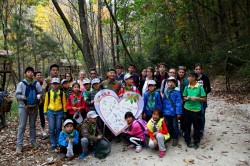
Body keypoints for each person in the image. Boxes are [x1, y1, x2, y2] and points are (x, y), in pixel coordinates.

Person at [15, 67, 43, 154]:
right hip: (23, 107)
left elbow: (41, 92)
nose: (30, 73)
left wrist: (39, 97)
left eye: (31, 72)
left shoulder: (36, 83)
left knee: (32, 125)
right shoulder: (21, 84)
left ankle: (33, 141)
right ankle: (19, 145)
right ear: (25, 73)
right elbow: (17, 95)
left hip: (34, 107)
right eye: (28, 72)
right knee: (22, 126)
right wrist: (23, 97)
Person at [183, 71, 206, 149]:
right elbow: (183, 97)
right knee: (187, 126)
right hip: (187, 109)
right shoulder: (187, 87)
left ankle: (196, 141)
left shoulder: (200, 87)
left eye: (189, 76)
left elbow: (204, 99)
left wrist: (197, 98)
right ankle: (188, 140)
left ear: (194, 78)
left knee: (196, 126)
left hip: (196, 110)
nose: (188, 78)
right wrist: (187, 98)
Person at [44, 77, 67, 149]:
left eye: (56, 84)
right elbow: (46, 103)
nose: (55, 85)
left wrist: (64, 112)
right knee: (51, 128)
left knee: (58, 127)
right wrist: (45, 113)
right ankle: (53, 142)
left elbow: (64, 103)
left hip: (59, 112)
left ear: (59, 85)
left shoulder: (61, 93)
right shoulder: (48, 93)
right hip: (50, 112)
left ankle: (58, 141)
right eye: (54, 84)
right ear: (51, 85)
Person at [162, 77, 182, 146]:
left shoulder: (177, 92)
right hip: (166, 112)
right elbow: (164, 101)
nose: (171, 84)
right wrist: (163, 110)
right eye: (169, 82)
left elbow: (178, 102)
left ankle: (175, 138)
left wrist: (178, 112)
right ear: (167, 83)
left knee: (175, 125)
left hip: (173, 112)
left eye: (172, 82)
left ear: (175, 84)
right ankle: (169, 136)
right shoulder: (166, 91)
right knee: (167, 124)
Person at [194, 63, 211, 137]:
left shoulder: (205, 78)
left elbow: (209, 89)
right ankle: (196, 129)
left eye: (199, 69)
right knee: (195, 115)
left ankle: (201, 130)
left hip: (202, 100)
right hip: (194, 100)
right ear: (194, 70)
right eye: (196, 69)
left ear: (201, 70)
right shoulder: (192, 77)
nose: (198, 71)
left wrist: (203, 94)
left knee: (202, 115)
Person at [34, 71, 47, 137]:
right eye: (38, 75)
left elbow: (44, 92)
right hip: (34, 102)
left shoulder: (44, 83)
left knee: (42, 115)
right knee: (34, 116)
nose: (39, 76)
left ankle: (43, 129)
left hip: (42, 101)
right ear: (35, 76)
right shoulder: (33, 83)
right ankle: (34, 131)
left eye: (40, 75)